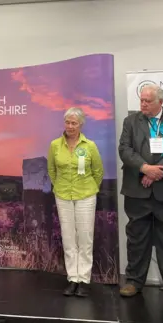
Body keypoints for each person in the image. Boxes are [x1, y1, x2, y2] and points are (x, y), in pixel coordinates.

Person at [117, 84, 163, 303]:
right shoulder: (130, 122)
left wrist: (158, 172)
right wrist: (144, 168)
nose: (143, 104)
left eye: (148, 101)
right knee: (137, 237)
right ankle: (133, 281)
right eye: (141, 100)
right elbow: (125, 150)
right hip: (137, 189)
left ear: (160, 101)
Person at [47, 107, 104, 297]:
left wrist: (89, 188)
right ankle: (72, 278)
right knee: (68, 238)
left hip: (86, 196)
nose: (70, 126)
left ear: (81, 125)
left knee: (85, 238)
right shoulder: (55, 145)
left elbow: (98, 171)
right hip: (63, 195)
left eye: (74, 123)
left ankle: (84, 280)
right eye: (67, 122)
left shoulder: (90, 146)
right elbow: (52, 171)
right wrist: (60, 187)